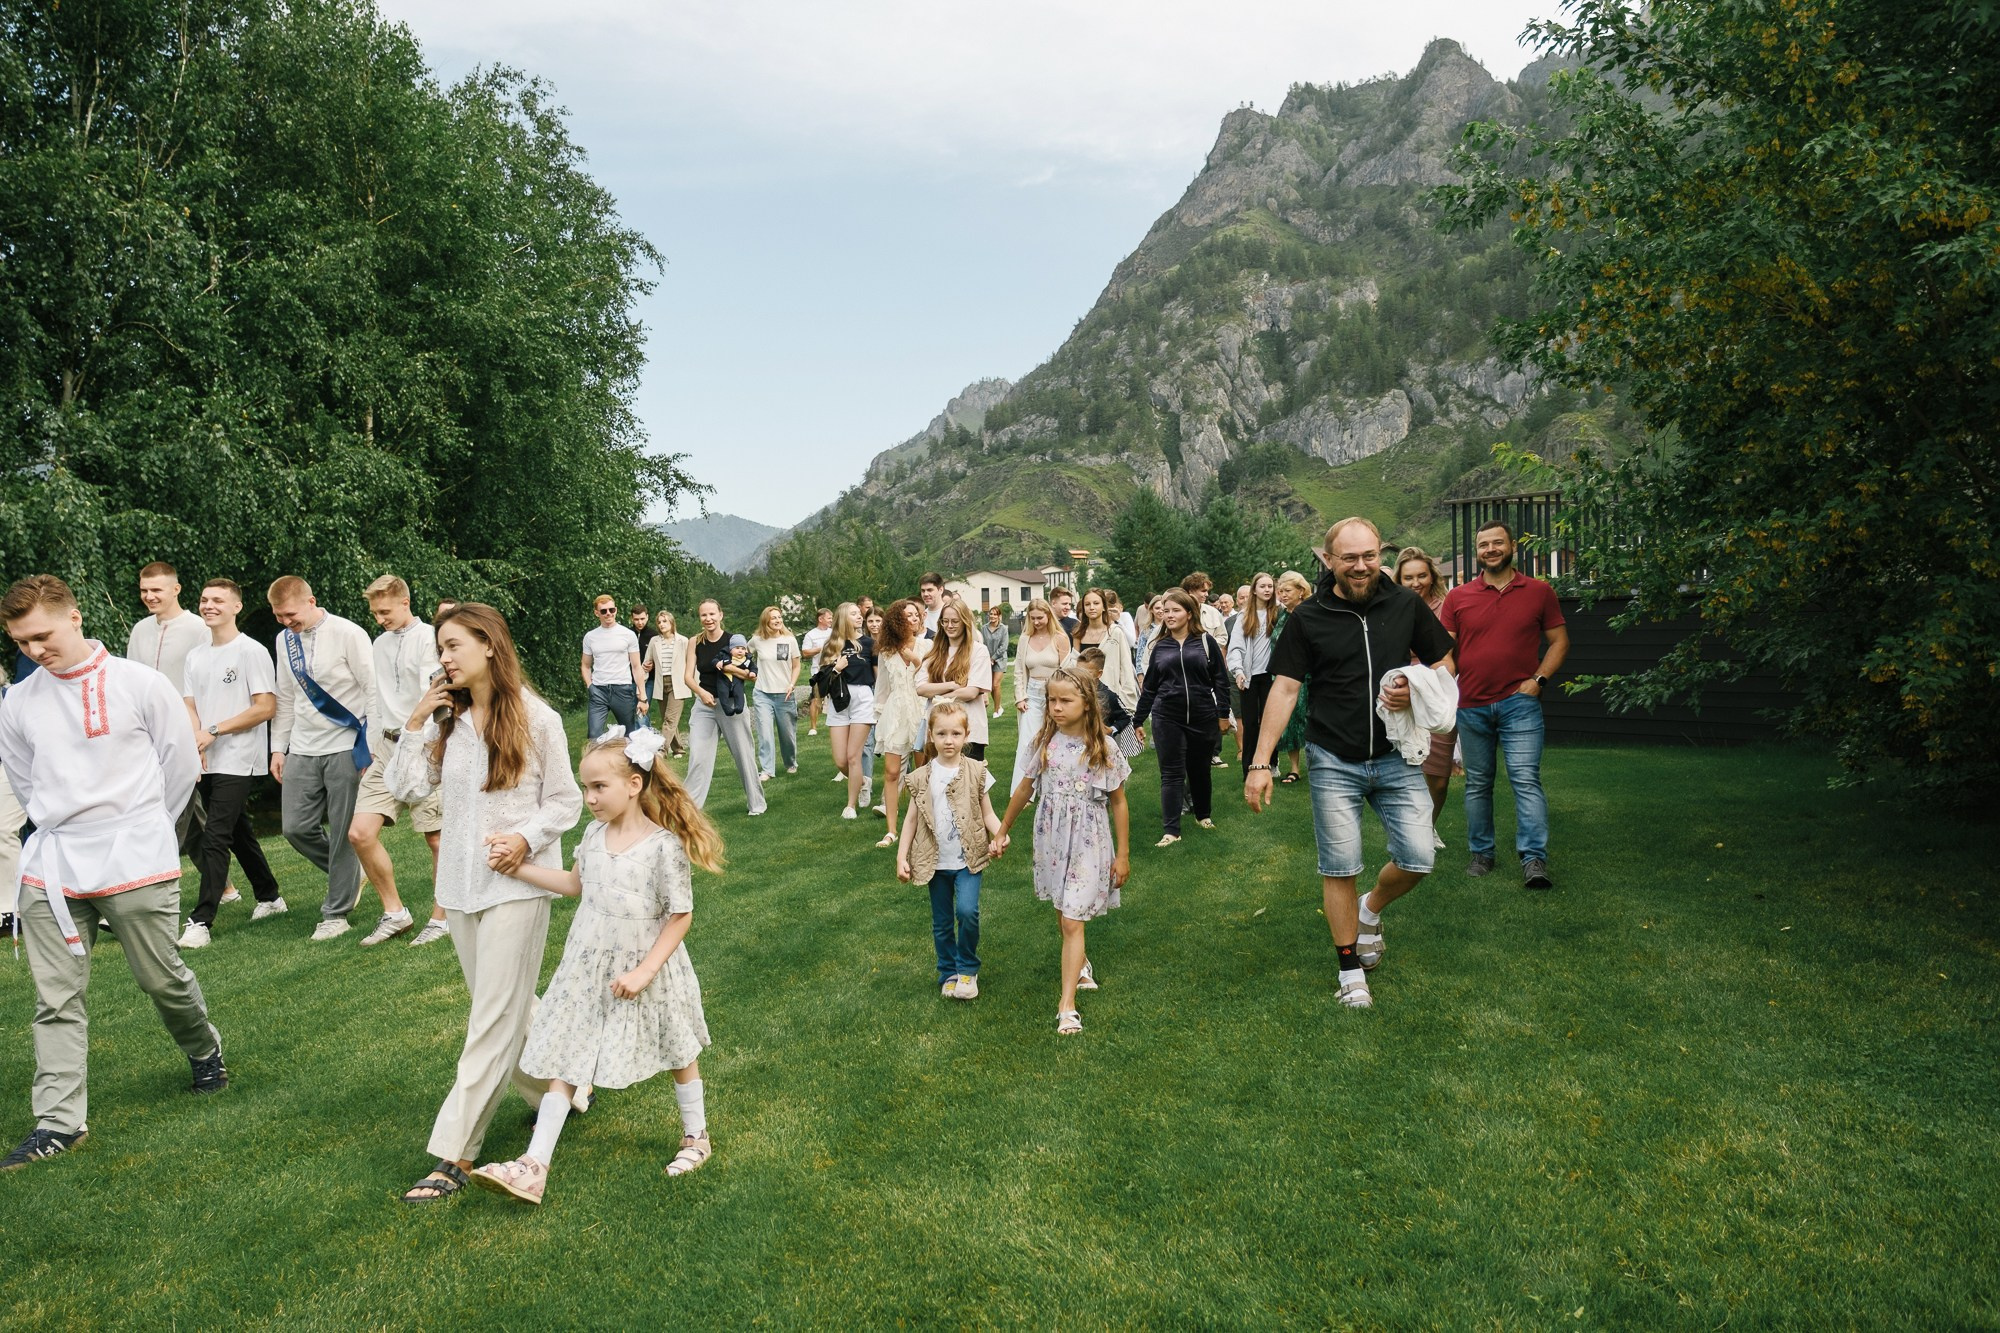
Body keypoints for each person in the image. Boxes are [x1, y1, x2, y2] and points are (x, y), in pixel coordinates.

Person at [0, 576, 226, 1171]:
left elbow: (179, 766)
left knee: (161, 978)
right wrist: (62, 827)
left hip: (136, 856)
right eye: (21, 642)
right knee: (55, 999)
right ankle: (58, 1122)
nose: (33, 650)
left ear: (74, 617)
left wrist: (143, 829)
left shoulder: (138, 683)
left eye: (41, 635)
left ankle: (204, 1049)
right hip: (53, 864)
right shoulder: (19, 702)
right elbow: (25, 782)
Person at [469, 728, 723, 1204]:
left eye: (598, 787)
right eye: (586, 788)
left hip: (648, 966)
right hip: (586, 963)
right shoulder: (592, 834)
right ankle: (534, 1164)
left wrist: (645, 971)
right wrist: (516, 867)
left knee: (677, 1048)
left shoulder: (663, 847)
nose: (589, 798)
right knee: (567, 1052)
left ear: (634, 784)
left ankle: (696, 1135)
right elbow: (573, 884)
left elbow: (680, 915)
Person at [389, 603, 583, 1204]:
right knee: (508, 1003)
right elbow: (403, 789)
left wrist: (525, 838)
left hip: (520, 882)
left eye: (452, 647)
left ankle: (455, 1153)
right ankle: (568, 1088)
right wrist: (419, 719)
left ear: (489, 646)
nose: (443, 658)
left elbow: (566, 801)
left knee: (491, 1018)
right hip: (460, 886)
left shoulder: (537, 717)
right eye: (440, 650)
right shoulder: (447, 721)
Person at [1244, 518, 1455, 1010]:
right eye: (1349, 558)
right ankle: (1349, 969)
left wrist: (1417, 686)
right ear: (1329, 560)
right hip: (1333, 756)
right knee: (1340, 865)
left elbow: (1445, 661)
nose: (1361, 567)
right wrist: (1260, 762)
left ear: (1380, 553)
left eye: (1369, 556)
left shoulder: (1406, 605)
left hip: (1397, 755)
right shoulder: (1309, 616)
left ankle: (1371, 909)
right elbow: (1286, 687)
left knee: (1419, 856)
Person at [996, 667, 1131, 1036]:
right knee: (1062, 911)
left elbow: (1118, 802)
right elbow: (1024, 789)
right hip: (1051, 839)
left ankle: (1066, 1006)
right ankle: (1081, 962)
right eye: (1051, 700)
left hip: (1089, 839)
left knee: (1073, 920)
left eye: (1065, 700)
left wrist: (1123, 854)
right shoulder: (1045, 742)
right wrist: (1002, 830)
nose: (1056, 707)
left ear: (1087, 704)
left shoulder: (1104, 747)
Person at [1438, 521, 1569, 889]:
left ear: (1512, 546)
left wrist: (1538, 680)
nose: (1491, 549)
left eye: (1498, 543)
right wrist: (1440, 685)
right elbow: (1446, 652)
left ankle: (1534, 860)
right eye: (1483, 545)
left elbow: (1559, 641)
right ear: (1476, 552)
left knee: (1525, 780)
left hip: (1519, 704)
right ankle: (1482, 854)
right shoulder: (1458, 597)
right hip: (1471, 705)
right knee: (1478, 783)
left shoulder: (1539, 591)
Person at [177, 578, 285, 947]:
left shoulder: (250, 651)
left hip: (239, 758)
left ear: (236, 607)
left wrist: (214, 731)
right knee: (238, 832)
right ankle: (270, 897)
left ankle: (201, 921)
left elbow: (265, 707)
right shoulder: (196, 655)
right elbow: (189, 704)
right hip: (206, 756)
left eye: (218, 600)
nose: (209, 605)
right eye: (204, 599)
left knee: (216, 835)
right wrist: (197, 740)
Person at [268, 574, 376, 942]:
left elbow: (372, 689)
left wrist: (372, 746)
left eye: (290, 614)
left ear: (311, 601)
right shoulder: (285, 641)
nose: (286, 622)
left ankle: (336, 913)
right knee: (295, 827)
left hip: (346, 742)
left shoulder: (349, 633)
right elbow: (284, 697)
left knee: (345, 830)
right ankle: (350, 873)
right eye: (279, 616)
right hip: (302, 745)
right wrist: (277, 748)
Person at [349, 575, 448, 947]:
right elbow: (376, 695)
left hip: (424, 746)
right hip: (387, 748)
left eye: (385, 611)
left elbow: (438, 693)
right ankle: (395, 913)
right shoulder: (378, 643)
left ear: (405, 602)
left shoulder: (430, 640)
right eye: (375, 613)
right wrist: (373, 744)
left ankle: (441, 918)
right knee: (360, 833)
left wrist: (438, 744)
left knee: (437, 839)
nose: (379, 619)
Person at [895, 702, 1006, 1001]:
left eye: (956, 733)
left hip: (968, 860)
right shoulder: (921, 777)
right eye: (941, 733)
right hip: (935, 861)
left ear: (966, 735)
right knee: (942, 922)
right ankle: (948, 972)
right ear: (930, 735)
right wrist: (901, 856)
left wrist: (1000, 834)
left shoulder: (977, 772)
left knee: (967, 912)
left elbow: (988, 814)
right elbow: (911, 819)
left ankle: (968, 968)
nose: (948, 740)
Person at [1131, 589, 1230, 846]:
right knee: (1172, 773)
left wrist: (1222, 714)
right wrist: (1138, 720)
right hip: (1167, 717)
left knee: (1199, 770)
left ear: (1189, 613)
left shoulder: (1206, 642)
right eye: (1166, 611)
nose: (1169, 615)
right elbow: (1150, 686)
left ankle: (1203, 815)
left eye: (1175, 610)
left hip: (1203, 715)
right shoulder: (1160, 646)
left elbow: (1220, 680)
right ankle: (1171, 831)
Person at [127, 561, 212, 855]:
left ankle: (156, 869)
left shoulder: (199, 628)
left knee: (177, 805)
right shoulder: (139, 630)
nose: (149, 596)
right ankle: (224, 886)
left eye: (156, 590)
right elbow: (132, 683)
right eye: (144, 590)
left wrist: (200, 736)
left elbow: (206, 687)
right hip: (145, 733)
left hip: (185, 731)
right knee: (182, 807)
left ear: (176, 589)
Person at [1395, 548, 1458, 850]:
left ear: (1432, 576)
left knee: (1438, 775)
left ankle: (1429, 825)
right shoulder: (1392, 607)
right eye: (1408, 577)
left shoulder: (1446, 607)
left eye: (1421, 575)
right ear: (1399, 579)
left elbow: (1448, 654)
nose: (1415, 582)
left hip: (1436, 695)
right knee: (1406, 770)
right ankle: (1412, 832)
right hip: (1400, 697)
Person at [680, 600, 767, 817]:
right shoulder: (694, 642)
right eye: (703, 615)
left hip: (732, 705)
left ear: (721, 615)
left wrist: (726, 667)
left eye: (712, 614)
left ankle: (757, 804)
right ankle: (689, 812)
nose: (708, 619)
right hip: (704, 705)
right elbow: (687, 677)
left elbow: (749, 675)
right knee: (698, 757)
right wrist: (701, 693)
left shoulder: (734, 641)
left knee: (743, 755)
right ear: (700, 618)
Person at [869, 599, 927, 849]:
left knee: (922, 773)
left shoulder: (928, 645)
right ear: (897, 621)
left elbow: (932, 677)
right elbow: (882, 688)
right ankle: (891, 831)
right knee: (892, 773)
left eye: (916, 615)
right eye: (908, 616)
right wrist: (879, 717)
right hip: (895, 714)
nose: (913, 619)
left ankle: (924, 826)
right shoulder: (886, 651)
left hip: (921, 711)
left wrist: (915, 660)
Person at [818, 603, 876, 819]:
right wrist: (836, 667)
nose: (859, 617)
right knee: (841, 761)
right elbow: (820, 681)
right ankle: (862, 781)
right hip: (838, 700)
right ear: (843, 618)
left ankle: (850, 806)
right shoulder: (831, 646)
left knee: (853, 756)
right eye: (854, 614)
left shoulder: (870, 644)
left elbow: (878, 677)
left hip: (862, 698)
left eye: (859, 614)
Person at [916, 597, 992, 760]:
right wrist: (953, 685)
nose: (949, 626)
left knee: (967, 782)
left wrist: (936, 695)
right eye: (945, 621)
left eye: (955, 621)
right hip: (938, 729)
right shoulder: (934, 652)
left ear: (964, 621)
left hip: (968, 730)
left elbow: (971, 692)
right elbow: (921, 688)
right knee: (937, 782)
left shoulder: (978, 651)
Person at [1009, 600, 1069, 791]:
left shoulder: (1059, 637)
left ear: (1048, 615)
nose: (1036, 622)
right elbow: (1019, 670)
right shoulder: (1025, 639)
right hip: (1032, 694)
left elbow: (1067, 669)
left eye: (1040, 618)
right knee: (1028, 740)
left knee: (1055, 738)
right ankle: (1024, 789)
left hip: (1055, 694)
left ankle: (1054, 783)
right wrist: (1020, 697)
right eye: (1032, 618)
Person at [1228, 573, 1282, 778]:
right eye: (1263, 586)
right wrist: (1238, 671)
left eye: (1270, 586)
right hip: (1250, 677)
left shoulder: (1279, 613)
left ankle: (1272, 762)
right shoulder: (1244, 616)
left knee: (1271, 721)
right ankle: (1248, 769)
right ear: (1254, 590)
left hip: (1272, 677)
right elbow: (1235, 648)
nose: (1267, 590)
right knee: (1250, 724)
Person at [580, 595, 644, 739]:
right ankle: (597, 762)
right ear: (597, 613)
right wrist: (590, 686)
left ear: (616, 610)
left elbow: (636, 666)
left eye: (611, 609)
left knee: (629, 735)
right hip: (598, 690)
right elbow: (585, 665)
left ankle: (629, 762)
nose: (608, 613)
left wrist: (642, 695)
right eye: (603, 611)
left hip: (622, 689)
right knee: (593, 735)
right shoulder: (590, 637)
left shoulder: (628, 634)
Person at [748, 606, 801, 781]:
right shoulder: (757, 640)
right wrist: (750, 672)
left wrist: (792, 684)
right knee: (765, 734)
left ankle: (790, 762)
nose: (778, 620)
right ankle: (767, 770)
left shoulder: (789, 640)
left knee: (787, 735)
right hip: (763, 693)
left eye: (779, 617)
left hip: (784, 695)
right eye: (773, 618)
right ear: (766, 621)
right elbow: (743, 655)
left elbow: (796, 666)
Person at [1272, 571, 1313, 784]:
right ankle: (1295, 768)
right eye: (1280, 591)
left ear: (1301, 591)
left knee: (1309, 720)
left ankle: (1317, 765)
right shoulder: (1282, 615)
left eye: (1287, 591)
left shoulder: (1310, 613)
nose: (1282, 595)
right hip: (1284, 676)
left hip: (1309, 677)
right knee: (1290, 723)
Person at [1072, 590, 1138, 718]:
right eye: (1087, 604)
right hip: (1085, 695)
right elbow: (1073, 665)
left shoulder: (1115, 632)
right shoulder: (1079, 633)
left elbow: (1125, 666)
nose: (1091, 607)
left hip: (1111, 695)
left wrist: (1128, 700)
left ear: (1103, 607)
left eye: (1096, 603)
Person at [799, 609, 835, 736]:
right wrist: (821, 648)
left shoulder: (834, 633)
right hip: (818, 670)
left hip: (834, 668)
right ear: (821, 619)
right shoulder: (811, 635)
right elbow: (805, 652)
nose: (831, 620)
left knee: (836, 696)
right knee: (816, 697)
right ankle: (813, 727)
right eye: (829, 618)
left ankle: (836, 723)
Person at [980, 606, 1009, 720]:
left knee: (996, 684)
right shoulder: (984, 628)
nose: (992, 616)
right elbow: (982, 644)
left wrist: (993, 658)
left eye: (995, 614)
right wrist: (987, 658)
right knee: (991, 687)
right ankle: (999, 706)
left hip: (1000, 659)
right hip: (987, 660)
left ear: (999, 616)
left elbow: (1004, 646)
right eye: (991, 614)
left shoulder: (1004, 629)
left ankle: (996, 710)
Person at [1182, 572, 1227, 643]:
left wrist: (1206, 644)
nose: (1207, 595)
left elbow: (1223, 638)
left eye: (1207, 591)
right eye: (1203, 591)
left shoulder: (1213, 612)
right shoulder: (1177, 613)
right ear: (1190, 591)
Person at [917, 572, 946, 642]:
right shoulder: (919, 617)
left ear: (941, 590)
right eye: (923, 591)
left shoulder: (953, 613)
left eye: (930, 590)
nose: (926, 594)